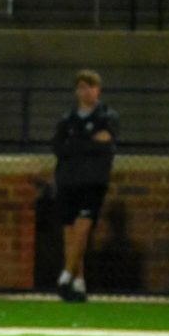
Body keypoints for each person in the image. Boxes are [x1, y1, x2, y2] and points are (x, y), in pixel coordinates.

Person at [52, 69, 119, 303]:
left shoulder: (107, 116)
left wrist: (78, 144)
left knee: (83, 226)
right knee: (69, 228)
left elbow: (105, 144)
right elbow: (59, 147)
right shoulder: (67, 119)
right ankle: (78, 282)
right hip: (68, 178)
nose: (86, 92)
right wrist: (87, 143)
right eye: (81, 87)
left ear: (97, 90)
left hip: (93, 179)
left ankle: (66, 274)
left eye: (90, 87)